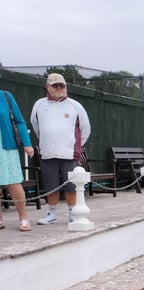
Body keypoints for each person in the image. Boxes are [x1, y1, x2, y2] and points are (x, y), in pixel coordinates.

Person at [30, 73, 91, 225]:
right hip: (47, 152)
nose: (58, 88)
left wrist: (74, 144)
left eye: (61, 85)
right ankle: (51, 213)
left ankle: (73, 214)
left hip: (69, 153)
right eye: (55, 85)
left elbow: (85, 129)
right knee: (51, 185)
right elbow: (35, 125)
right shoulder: (39, 104)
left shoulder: (75, 106)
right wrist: (46, 140)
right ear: (47, 86)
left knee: (71, 185)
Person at [0, 89, 35, 231]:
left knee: (13, 182)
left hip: (5, 144)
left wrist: (27, 144)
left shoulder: (6, 96)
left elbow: (19, 121)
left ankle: (24, 218)